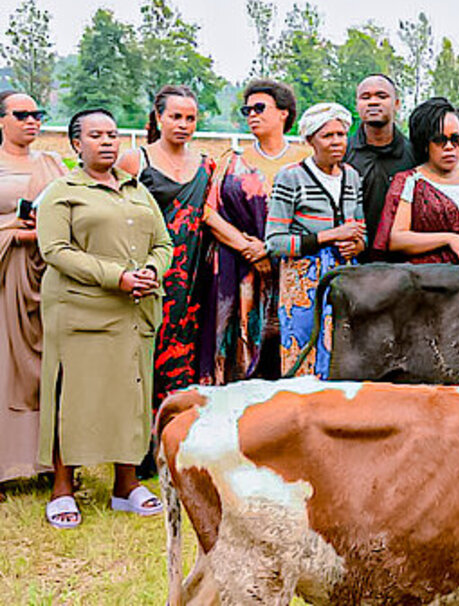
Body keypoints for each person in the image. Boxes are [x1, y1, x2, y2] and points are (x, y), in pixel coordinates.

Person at [36, 108, 172, 528]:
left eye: (113, 134)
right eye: (96, 135)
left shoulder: (136, 189)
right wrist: (118, 277)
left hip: (134, 312)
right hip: (82, 311)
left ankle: (125, 486)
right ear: (77, 143)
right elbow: (55, 250)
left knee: (129, 398)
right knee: (74, 399)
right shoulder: (62, 191)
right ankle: (63, 488)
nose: (108, 141)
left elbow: (163, 241)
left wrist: (152, 270)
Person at [197, 78, 311, 384]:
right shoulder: (232, 161)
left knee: (289, 356)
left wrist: (270, 249)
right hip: (240, 272)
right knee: (240, 355)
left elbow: (320, 219)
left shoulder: (306, 163)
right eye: (247, 110)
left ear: (284, 113)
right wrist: (247, 247)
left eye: (260, 108)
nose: (251, 115)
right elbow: (209, 212)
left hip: (293, 272)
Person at [117, 86, 215, 408]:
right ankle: (136, 443)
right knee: (141, 353)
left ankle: (173, 435)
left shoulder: (207, 165)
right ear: (159, 118)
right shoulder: (135, 160)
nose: (183, 124)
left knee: (185, 353)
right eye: (175, 116)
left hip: (192, 276)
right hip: (147, 273)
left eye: (190, 118)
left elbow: (211, 216)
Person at [266, 102, 364, 379]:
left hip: (343, 276)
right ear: (310, 140)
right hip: (302, 282)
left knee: (341, 353)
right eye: (327, 135)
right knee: (303, 353)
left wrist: (357, 244)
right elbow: (274, 242)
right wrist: (330, 236)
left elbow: (361, 228)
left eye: (341, 134)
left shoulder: (352, 177)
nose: (336, 142)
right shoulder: (291, 177)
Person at [0, 92, 65, 485]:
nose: (31, 121)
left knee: (51, 370)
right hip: (6, 272)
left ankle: (45, 464)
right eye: (21, 114)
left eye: (37, 114)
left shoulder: (53, 164)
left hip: (50, 275)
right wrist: (14, 234)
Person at [375, 97, 459, 268]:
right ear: (425, 143)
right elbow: (397, 239)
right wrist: (449, 239)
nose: (449, 147)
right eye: (440, 140)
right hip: (432, 281)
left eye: (455, 139)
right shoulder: (411, 181)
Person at [343, 74, 415, 249]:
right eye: (365, 97)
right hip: (353, 257)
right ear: (357, 105)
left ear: (397, 104)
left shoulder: (415, 155)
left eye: (382, 96)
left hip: (402, 260)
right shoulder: (342, 153)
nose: (373, 102)